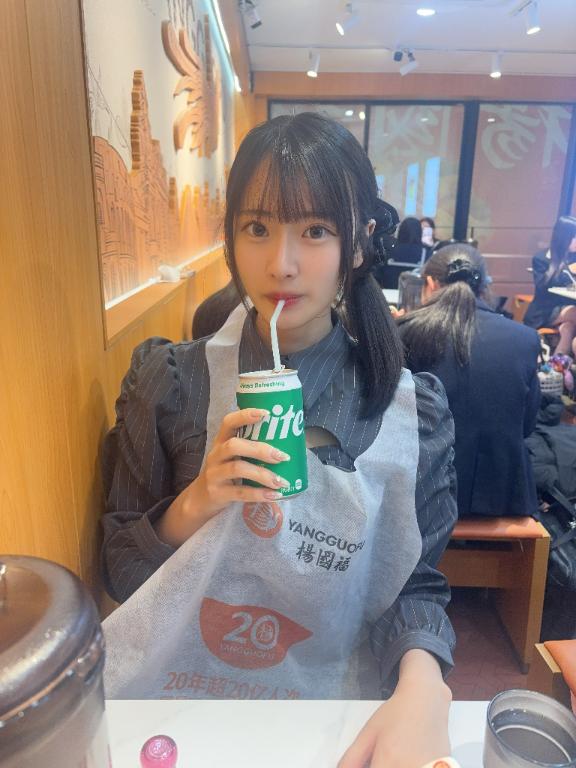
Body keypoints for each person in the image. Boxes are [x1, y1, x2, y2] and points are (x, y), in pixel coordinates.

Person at [101, 112, 457, 767]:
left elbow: (413, 586)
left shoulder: (410, 413)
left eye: (315, 231)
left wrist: (423, 684)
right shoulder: (170, 382)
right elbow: (120, 572)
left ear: (357, 244)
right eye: (257, 228)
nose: (281, 264)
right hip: (173, 713)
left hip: (327, 714)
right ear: (231, 237)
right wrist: (195, 503)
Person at [397, 244, 541, 519]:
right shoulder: (525, 338)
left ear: (431, 283)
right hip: (503, 495)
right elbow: (527, 425)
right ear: (484, 286)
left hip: (421, 494)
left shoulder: (405, 332)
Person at [524, 216, 576, 357]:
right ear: (564, 237)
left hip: (567, 311)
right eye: (574, 237)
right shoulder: (542, 258)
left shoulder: (574, 257)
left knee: (568, 328)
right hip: (545, 310)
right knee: (574, 312)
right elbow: (543, 287)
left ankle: (556, 365)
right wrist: (567, 272)